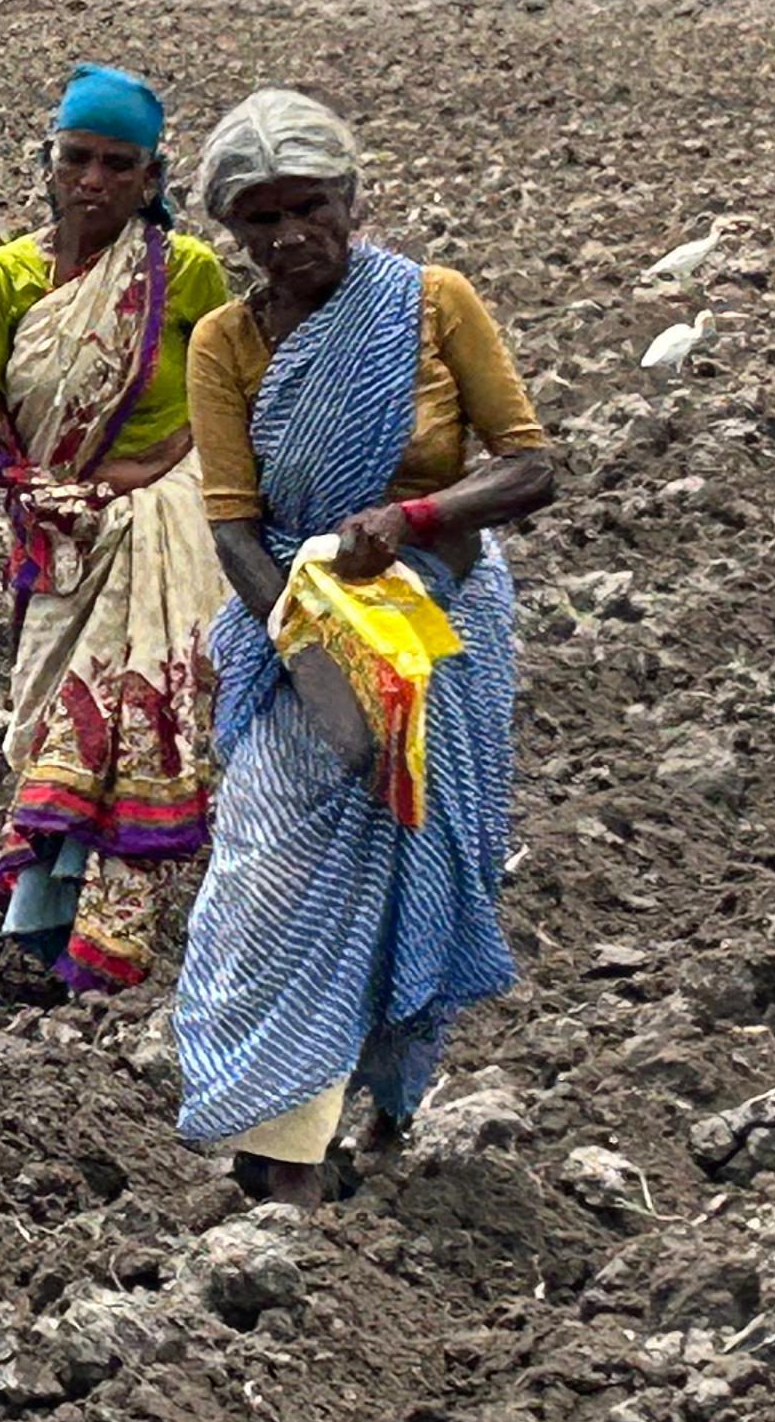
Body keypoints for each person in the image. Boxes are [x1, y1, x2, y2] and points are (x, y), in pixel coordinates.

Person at [166, 89, 556, 1205]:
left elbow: (529, 465)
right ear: (232, 231)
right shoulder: (226, 342)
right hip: (295, 632)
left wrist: (412, 518)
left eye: (311, 207)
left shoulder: (431, 304)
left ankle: (352, 1127)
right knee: (264, 881)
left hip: (438, 633)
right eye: (262, 218)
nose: (292, 235)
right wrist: (311, 653)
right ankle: (273, 1141)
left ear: (352, 199)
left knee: (407, 873)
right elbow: (235, 526)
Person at [0, 66, 232, 992]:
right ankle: (49, 924)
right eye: (77, 159)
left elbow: (227, 402)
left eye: (117, 165)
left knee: (136, 725)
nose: (93, 181)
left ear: (151, 177)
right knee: (53, 725)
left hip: (164, 532)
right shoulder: (5, 279)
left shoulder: (187, 275)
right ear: (48, 163)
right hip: (56, 540)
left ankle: (110, 944)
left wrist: (155, 467)